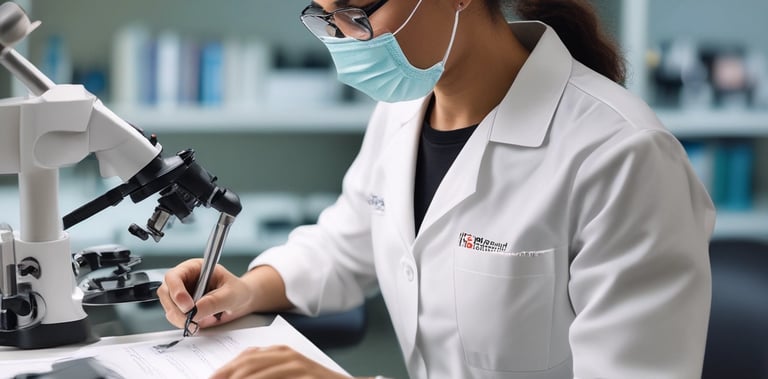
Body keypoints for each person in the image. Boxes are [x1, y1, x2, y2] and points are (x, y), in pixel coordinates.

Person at [158, 0, 716, 377]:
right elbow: (348, 242)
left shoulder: (622, 157)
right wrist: (251, 288)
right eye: (325, 16)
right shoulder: (400, 112)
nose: (347, 39)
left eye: (359, 10)